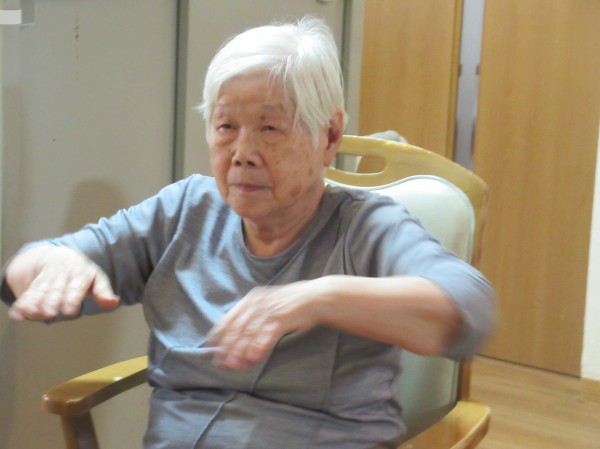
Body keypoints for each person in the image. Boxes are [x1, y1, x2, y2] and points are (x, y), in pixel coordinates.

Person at [1, 17, 494, 449]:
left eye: (269, 128)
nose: (242, 153)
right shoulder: (183, 211)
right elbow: (23, 273)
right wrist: (52, 262)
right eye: (225, 127)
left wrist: (317, 298)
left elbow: (468, 309)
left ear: (329, 136)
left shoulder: (365, 228)